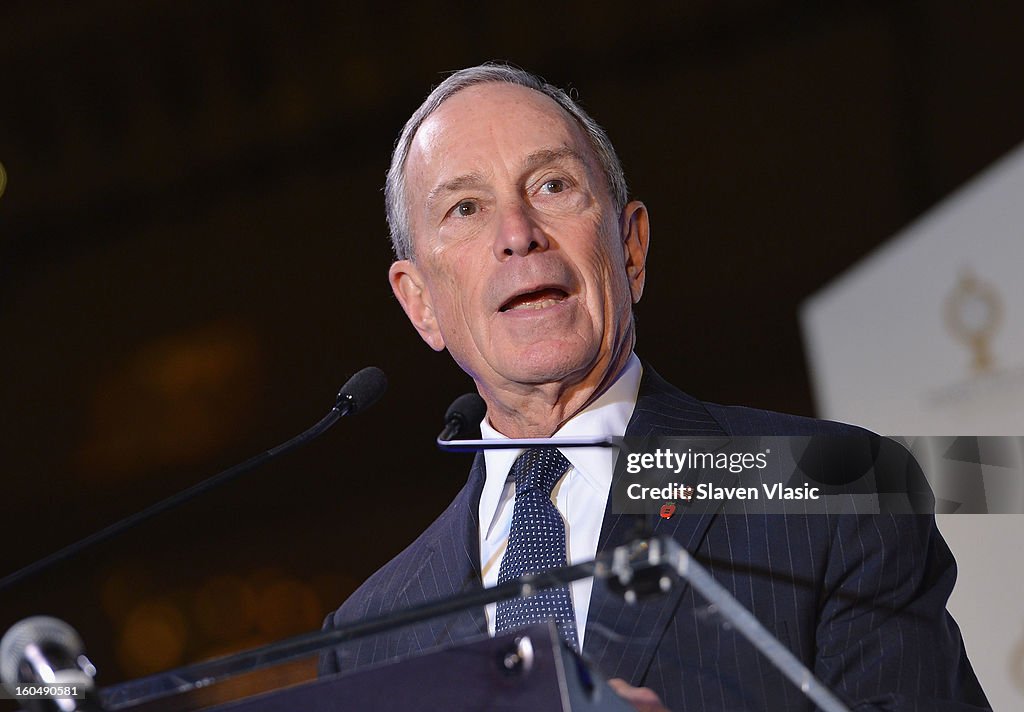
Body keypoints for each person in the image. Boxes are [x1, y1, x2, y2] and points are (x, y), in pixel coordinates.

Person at [320, 63, 990, 711]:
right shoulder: (368, 637)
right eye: (465, 208)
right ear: (420, 305)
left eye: (553, 186)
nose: (518, 235)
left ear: (631, 248)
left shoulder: (835, 491)